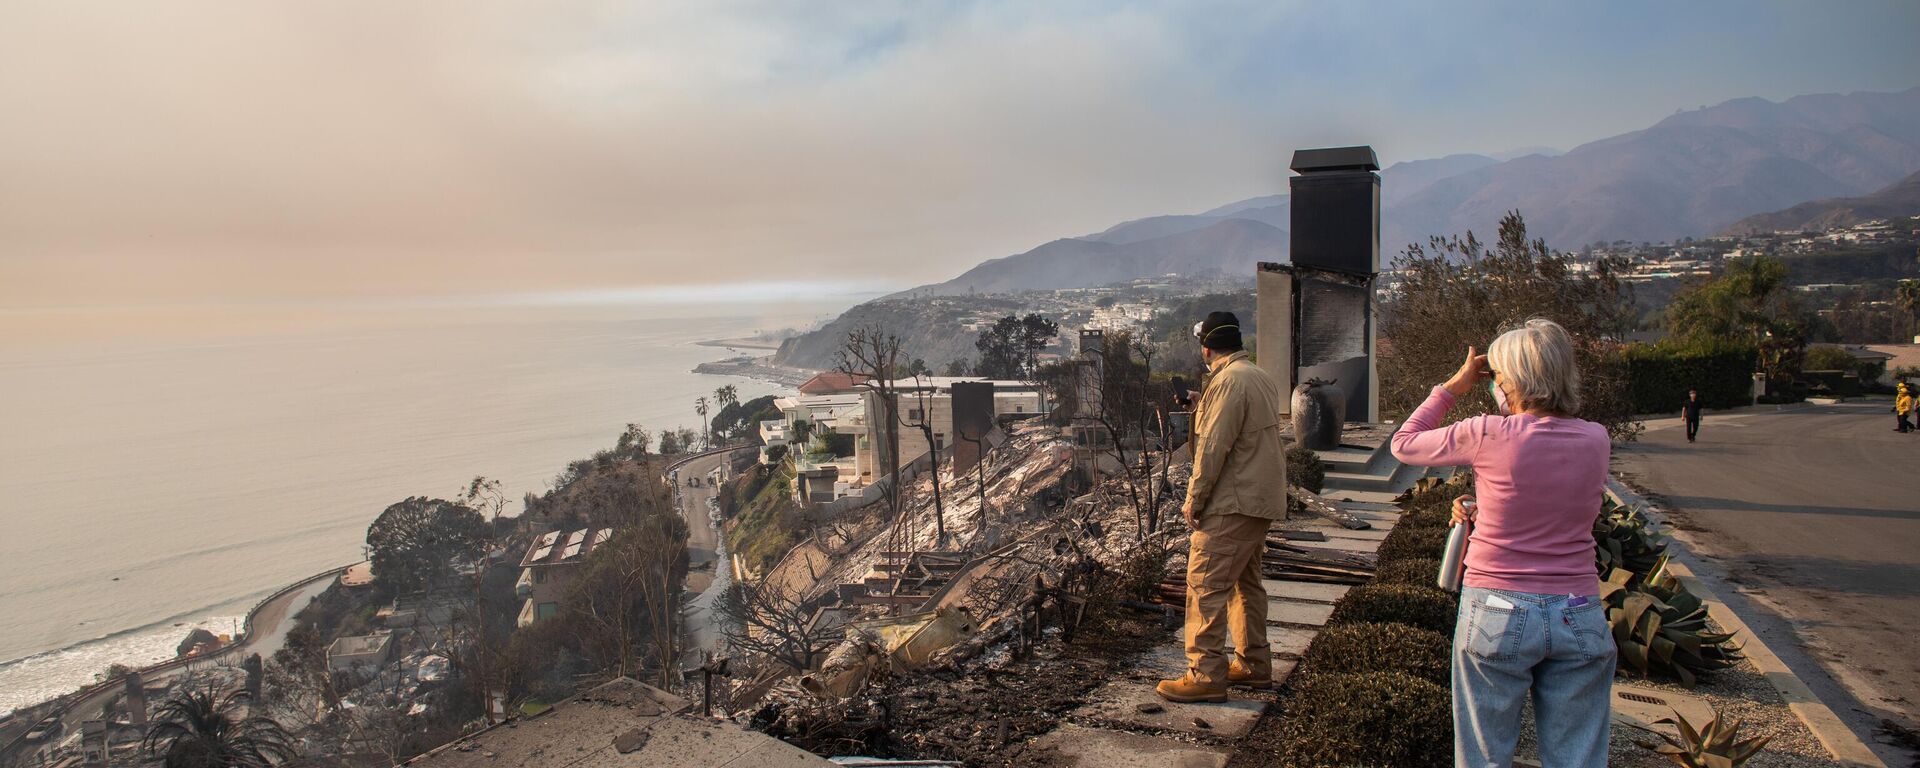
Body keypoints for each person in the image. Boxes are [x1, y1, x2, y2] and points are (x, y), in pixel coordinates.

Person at [1389, 318, 1614, 768]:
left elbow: (1404, 444)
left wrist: (1454, 385)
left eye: (1499, 377)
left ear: (1514, 380)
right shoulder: (1596, 439)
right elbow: (1548, 500)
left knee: (1484, 757)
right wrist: (1481, 503)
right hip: (1579, 611)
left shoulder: (1488, 432)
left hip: (1497, 607)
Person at [1156, 311, 1287, 703]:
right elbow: (1240, 427)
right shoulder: (1255, 375)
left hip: (1232, 500)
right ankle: (1253, 664)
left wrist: (1194, 498)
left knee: (1206, 584)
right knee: (1245, 585)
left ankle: (1205, 675)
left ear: (1206, 347)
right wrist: (1201, 402)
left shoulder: (1227, 382)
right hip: (1258, 499)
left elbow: (1214, 445)